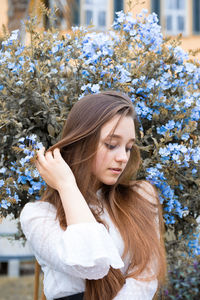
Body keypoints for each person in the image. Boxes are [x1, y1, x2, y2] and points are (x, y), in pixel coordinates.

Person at [20, 91, 166, 300]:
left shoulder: (141, 196)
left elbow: (146, 277)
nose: (123, 157)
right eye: (111, 145)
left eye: (128, 147)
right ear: (82, 142)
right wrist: (67, 185)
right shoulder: (39, 216)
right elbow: (91, 265)